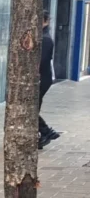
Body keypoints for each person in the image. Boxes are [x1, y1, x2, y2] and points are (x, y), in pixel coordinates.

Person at [39, 11, 61, 149]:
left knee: (32, 108)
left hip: (42, 78)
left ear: (46, 21)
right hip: (41, 77)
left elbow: (42, 61)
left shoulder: (46, 39)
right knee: (33, 108)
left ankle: (46, 132)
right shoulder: (41, 36)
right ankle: (45, 132)